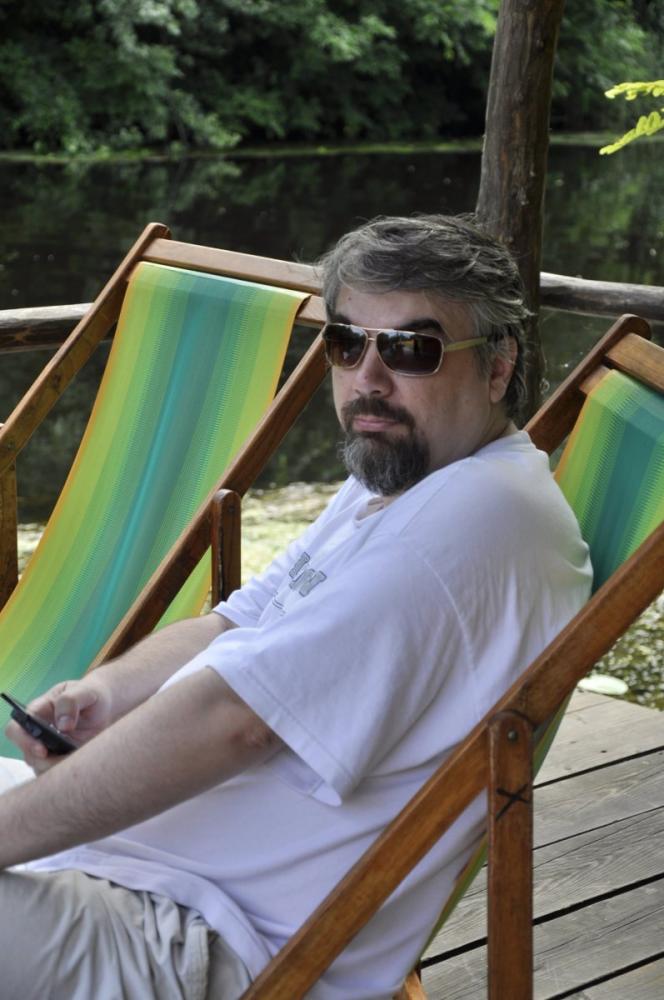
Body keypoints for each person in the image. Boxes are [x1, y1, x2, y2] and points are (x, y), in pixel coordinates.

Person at [0, 215, 592, 1000]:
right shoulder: (406, 476)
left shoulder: (468, 526)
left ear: (498, 366)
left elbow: (233, 722)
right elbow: (240, 616)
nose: (368, 379)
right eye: (347, 343)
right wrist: (106, 694)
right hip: (130, 867)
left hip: (189, 939)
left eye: (411, 349)